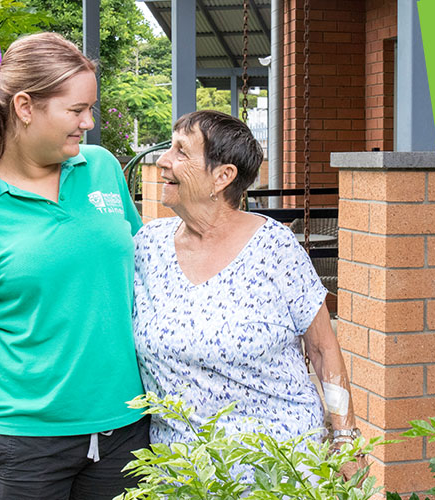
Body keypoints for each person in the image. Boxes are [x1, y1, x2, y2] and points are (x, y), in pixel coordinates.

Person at [0, 33, 148, 500]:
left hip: (126, 428)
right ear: (25, 106)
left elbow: (146, 272)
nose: (88, 122)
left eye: (91, 109)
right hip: (20, 440)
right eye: (76, 110)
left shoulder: (103, 168)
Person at [133, 110, 367, 482]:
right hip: (183, 475)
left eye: (180, 151)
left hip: (280, 468)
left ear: (222, 176)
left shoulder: (275, 247)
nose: (163, 161)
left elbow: (323, 349)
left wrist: (345, 438)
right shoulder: (147, 247)